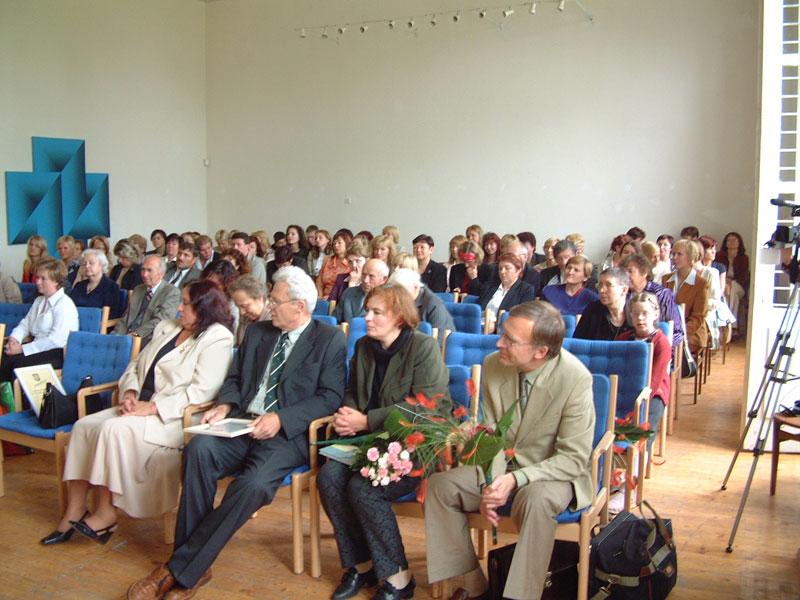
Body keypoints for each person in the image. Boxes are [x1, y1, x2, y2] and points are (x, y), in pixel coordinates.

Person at [127, 267, 346, 600]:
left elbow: (329, 397)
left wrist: (281, 418)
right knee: (200, 448)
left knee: (254, 485)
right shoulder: (258, 332)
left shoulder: (328, 339)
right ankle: (194, 567)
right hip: (242, 423)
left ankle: (179, 569)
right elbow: (234, 379)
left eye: (276, 301)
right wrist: (226, 405)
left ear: (299, 307)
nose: (269, 306)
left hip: (286, 435)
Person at [42, 280, 234, 546]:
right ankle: (74, 510)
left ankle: (106, 512)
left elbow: (202, 392)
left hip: (174, 417)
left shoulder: (217, 337)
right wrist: (130, 392)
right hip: (139, 406)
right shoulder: (168, 328)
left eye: (186, 304)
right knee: (84, 426)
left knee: (111, 430)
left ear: (204, 308)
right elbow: (135, 365)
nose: (178, 308)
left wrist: (153, 407)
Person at [425, 301, 594, 600]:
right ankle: (475, 586)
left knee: (536, 500)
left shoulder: (576, 379)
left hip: (552, 474)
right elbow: (492, 434)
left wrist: (515, 480)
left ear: (540, 351)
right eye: (502, 334)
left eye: (510, 340)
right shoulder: (494, 364)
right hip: (504, 468)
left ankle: (520, 596)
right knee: (440, 487)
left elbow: (573, 459)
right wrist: (493, 482)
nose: (499, 342)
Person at [317, 284, 449, 600]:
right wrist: (348, 417)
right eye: (368, 310)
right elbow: (352, 391)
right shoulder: (363, 346)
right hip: (368, 442)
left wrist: (366, 420)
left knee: (364, 489)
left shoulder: (422, 348)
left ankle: (398, 578)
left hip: (414, 445)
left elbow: (426, 406)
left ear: (400, 317)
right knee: (329, 478)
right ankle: (362, 566)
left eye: (377, 312)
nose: (368, 317)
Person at [0, 258, 79, 383]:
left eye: (43, 278)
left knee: (18, 364)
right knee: (3, 356)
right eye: (37, 278)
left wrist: (21, 349)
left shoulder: (65, 305)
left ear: (56, 281)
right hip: (36, 347)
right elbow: (25, 324)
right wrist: (14, 339)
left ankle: (17, 401)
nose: (37, 282)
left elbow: (56, 340)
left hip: (56, 353)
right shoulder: (39, 300)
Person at [616, 292, 671, 455]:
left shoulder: (661, 343)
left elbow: (655, 379)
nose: (640, 318)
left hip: (653, 393)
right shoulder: (623, 339)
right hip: (624, 389)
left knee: (645, 423)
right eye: (636, 314)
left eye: (645, 313)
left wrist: (638, 400)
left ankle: (638, 459)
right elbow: (616, 369)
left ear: (655, 314)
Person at [620, 253, 684, 353]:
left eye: (630, 271)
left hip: (657, 349)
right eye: (623, 273)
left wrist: (662, 351)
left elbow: (676, 333)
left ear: (644, 272)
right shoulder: (624, 294)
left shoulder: (661, 294)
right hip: (631, 348)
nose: (625, 276)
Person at [114, 255, 181, 347]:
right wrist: (117, 336)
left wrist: (135, 335)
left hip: (148, 339)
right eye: (143, 270)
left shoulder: (171, 292)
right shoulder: (138, 289)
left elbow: (160, 321)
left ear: (161, 273)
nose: (144, 275)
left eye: (149, 270)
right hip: (126, 337)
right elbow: (126, 317)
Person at [661, 239, 709, 355]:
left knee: (669, 347)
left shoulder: (701, 284)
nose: (674, 257)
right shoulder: (666, 279)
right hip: (668, 329)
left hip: (691, 334)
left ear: (691, 258)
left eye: (679, 254)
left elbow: (698, 318)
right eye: (673, 254)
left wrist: (677, 332)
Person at [389, 268, 456, 338]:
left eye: (402, 291)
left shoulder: (433, 304)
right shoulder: (397, 299)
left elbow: (440, 339)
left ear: (416, 287)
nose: (397, 296)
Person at [478, 253, 537, 332]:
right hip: (480, 324)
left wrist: (495, 325)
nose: (502, 272)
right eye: (500, 268)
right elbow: (478, 308)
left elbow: (522, 316)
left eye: (507, 268)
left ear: (518, 270)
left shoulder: (526, 290)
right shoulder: (489, 286)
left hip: (505, 329)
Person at [573, 267, 633, 341]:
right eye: (600, 285)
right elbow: (577, 343)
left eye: (608, 285)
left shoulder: (635, 311)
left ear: (624, 290)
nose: (601, 290)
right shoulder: (592, 310)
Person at [69, 249, 122, 319]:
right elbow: (70, 308)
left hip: (99, 326)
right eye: (84, 264)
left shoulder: (111, 287)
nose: (87, 266)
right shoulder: (79, 286)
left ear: (101, 265)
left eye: (91, 263)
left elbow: (112, 315)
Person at [335, 259, 389, 323]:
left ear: (384, 280)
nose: (365, 280)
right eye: (363, 274)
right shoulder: (349, 293)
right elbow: (334, 321)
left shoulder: (389, 301)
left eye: (371, 276)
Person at [716, 231, 750, 333]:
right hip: (724, 284)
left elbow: (743, 277)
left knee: (733, 288)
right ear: (725, 243)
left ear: (739, 243)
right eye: (729, 240)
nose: (731, 242)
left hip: (738, 286)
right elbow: (717, 272)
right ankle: (732, 326)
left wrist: (731, 282)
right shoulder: (719, 256)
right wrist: (726, 282)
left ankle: (727, 324)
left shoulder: (743, 258)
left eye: (734, 240)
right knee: (731, 293)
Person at [229, 275, 269, 345]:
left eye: (245, 306)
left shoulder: (273, 319)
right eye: (238, 307)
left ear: (260, 298)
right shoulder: (246, 318)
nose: (242, 312)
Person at [318, 231, 352, 299]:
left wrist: (331, 298)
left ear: (347, 244)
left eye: (339, 243)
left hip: (341, 298)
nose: (336, 245)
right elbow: (319, 282)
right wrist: (320, 297)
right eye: (334, 243)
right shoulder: (327, 260)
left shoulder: (351, 262)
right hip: (324, 298)